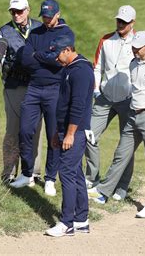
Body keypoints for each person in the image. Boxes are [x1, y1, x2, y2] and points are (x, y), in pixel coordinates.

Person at [89, 31, 145, 219]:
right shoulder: (133, 63)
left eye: (137, 48)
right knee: (121, 153)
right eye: (133, 48)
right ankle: (104, 191)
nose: (134, 51)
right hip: (133, 114)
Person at [10, 0, 74, 197]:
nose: (46, 20)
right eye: (44, 16)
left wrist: (40, 55)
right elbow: (26, 59)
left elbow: (59, 62)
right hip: (34, 87)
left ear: (57, 13)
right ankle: (27, 173)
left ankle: (50, 178)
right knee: (25, 131)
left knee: (54, 135)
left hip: (56, 89)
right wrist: (45, 56)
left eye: (49, 16)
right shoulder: (35, 33)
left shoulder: (66, 33)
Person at [0, 0, 44, 184]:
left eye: (19, 11)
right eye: (13, 11)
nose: (16, 14)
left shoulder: (39, 28)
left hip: (37, 84)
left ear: (28, 10)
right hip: (13, 85)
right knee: (13, 129)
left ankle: (34, 172)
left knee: (35, 128)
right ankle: (9, 173)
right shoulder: (4, 31)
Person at [85, 5, 137, 200]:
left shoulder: (138, 42)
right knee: (89, 134)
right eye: (118, 21)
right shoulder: (106, 40)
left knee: (127, 144)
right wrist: (96, 89)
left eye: (124, 22)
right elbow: (97, 67)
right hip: (104, 97)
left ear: (133, 23)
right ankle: (92, 178)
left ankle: (122, 187)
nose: (120, 24)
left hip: (128, 100)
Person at [45, 35, 93, 237]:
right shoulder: (69, 69)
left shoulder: (81, 71)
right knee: (76, 174)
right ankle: (81, 219)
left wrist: (70, 134)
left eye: (57, 55)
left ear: (67, 50)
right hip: (67, 130)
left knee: (66, 173)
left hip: (76, 131)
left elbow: (78, 106)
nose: (55, 59)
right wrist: (58, 131)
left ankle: (67, 223)